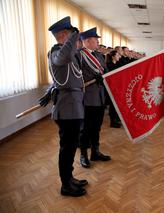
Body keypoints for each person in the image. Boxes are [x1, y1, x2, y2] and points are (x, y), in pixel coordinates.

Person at [46, 16, 88, 196]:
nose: (77, 40)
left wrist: (74, 39)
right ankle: (65, 185)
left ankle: (70, 178)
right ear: (64, 35)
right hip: (66, 108)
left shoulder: (70, 53)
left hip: (74, 106)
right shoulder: (56, 52)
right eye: (72, 36)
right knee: (67, 148)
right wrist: (73, 37)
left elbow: (73, 57)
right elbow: (62, 58)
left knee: (71, 147)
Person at [77, 27, 111, 168]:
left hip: (100, 96)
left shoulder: (99, 56)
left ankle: (95, 152)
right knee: (85, 128)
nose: (98, 42)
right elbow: (77, 75)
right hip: (87, 97)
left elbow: (103, 70)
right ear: (87, 41)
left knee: (96, 127)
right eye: (95, 40)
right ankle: (84, 154)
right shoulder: (78, 55)